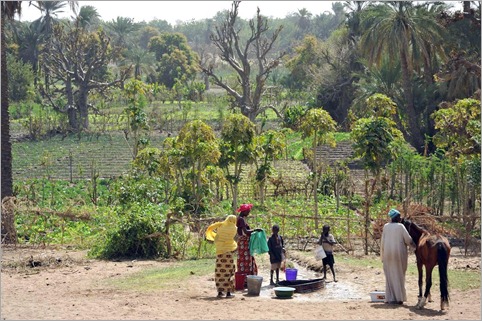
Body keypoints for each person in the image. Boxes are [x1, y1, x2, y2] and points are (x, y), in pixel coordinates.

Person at [381, 208, 416, 305]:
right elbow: (408, 240)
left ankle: (390, 298)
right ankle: (399, 298)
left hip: (387, 254)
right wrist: (414, 246)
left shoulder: (386, 226)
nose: (400, 218)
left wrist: (383, 255)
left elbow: (382, 242)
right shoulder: (400, 227)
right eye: (399, 216)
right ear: (395, 217)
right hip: (398, 254)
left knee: (390, 276)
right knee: (399, 275)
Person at [205, 215, 238, 298]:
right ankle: (228, 293)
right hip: (228, 253)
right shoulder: (234, 228)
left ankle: (220, 292)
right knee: (229, 272)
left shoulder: (220, 225)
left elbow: (212, 229)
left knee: (220, 272)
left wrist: (214, 236)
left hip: (220, 252)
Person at [236, 203, 261, 279]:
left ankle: (245, 279)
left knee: (244, 260)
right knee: (246, 261)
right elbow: (246, 232)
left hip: (243, 242)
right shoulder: (241, 219)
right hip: (244, 243)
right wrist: (255, 230)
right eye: (248, 211)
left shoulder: (240, 218)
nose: (249, 213)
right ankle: (246, 279)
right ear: (244, 211)